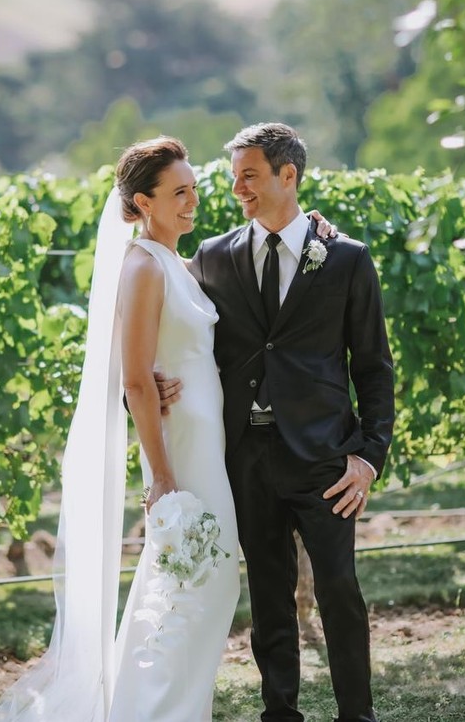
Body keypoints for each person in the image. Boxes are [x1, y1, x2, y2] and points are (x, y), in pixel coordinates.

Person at [0, 136, 240, 722]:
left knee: (192, 589)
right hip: (180, 457)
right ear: (144, 202)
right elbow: (136, 381)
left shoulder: (175, 261)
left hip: (206, 448)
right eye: (178, 192)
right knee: (192, 587)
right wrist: (164, 478)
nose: (192, 201)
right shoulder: (143, 265)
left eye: (193, 188)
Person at [159, 122, 395, 722]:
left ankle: (357, 715)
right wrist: (152, 380)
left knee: (340, 590)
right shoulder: (212, 256)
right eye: (234, 176)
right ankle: (279, 713)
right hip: (246, 458)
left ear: (289, 177)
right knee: (268, 596)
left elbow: (373, 366)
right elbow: (171, 327)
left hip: (325, 459)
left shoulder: (345, 259)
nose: (237, 188)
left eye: (250, 176)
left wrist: (368, 456)